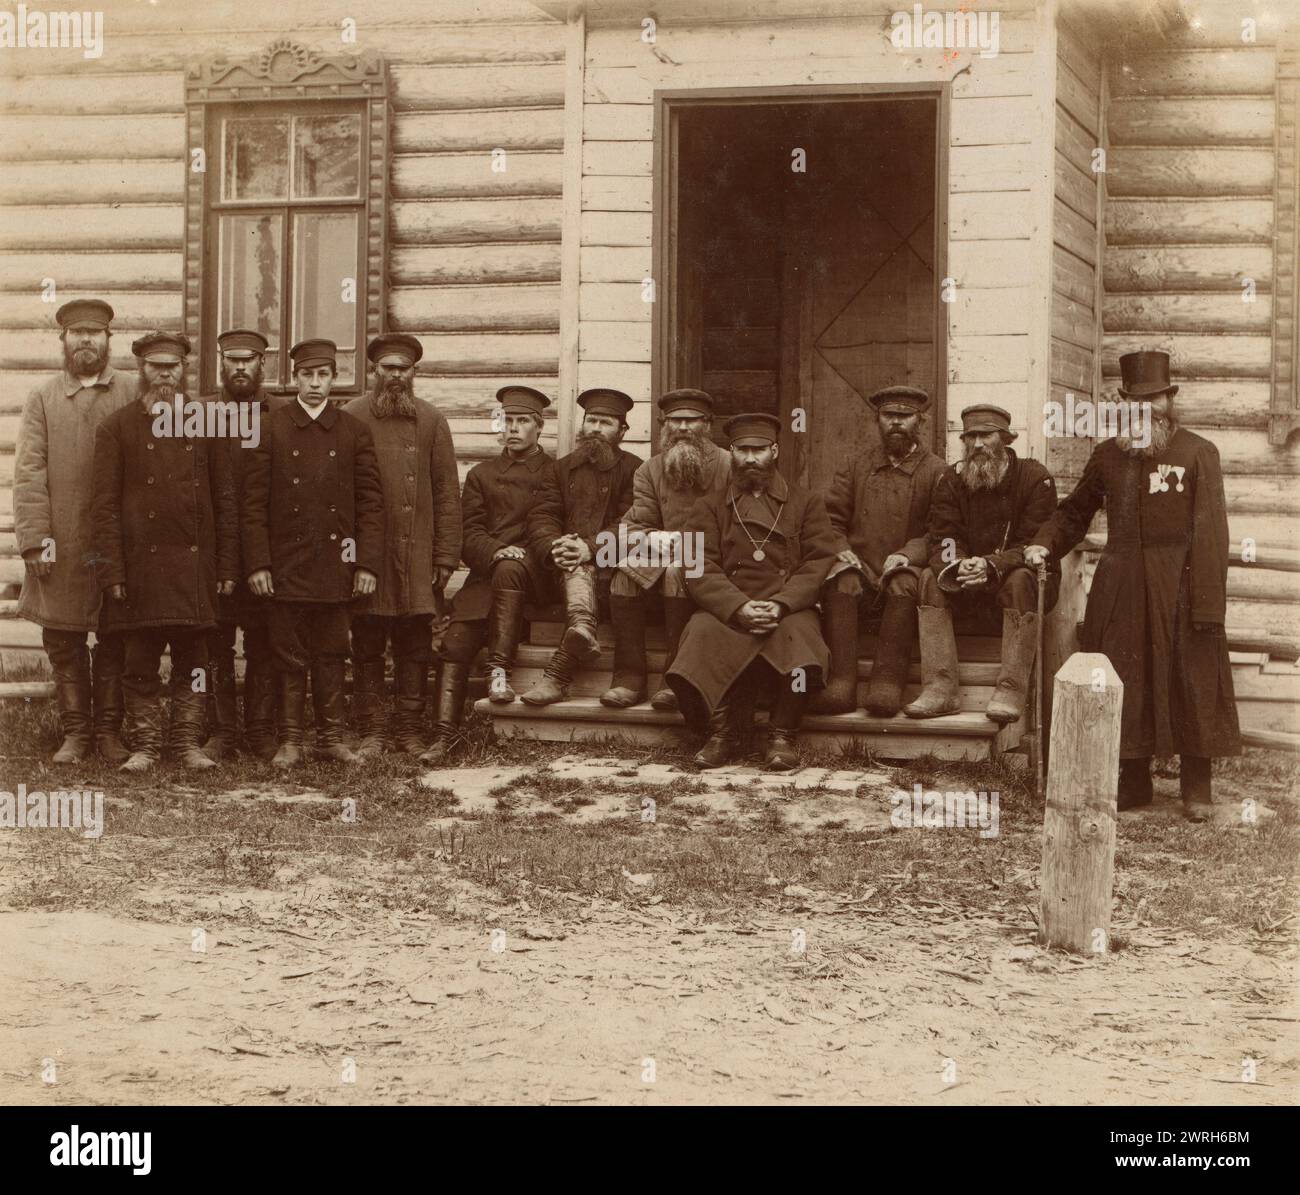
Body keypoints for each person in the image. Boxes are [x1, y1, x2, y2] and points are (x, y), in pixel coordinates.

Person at [1027, 350, 1241, 819]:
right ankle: (1134, 782)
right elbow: (1073, 512)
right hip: (1121, 584)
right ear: (1123, 402)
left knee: (1192, 677)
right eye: (1136, 401)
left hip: (1183, 586)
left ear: (1170, 399)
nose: (1147, 409)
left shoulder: (1198, 452)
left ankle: (1197, 787)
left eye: (1156, 399)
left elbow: (1212, 531)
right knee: (1126, 677)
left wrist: (1208, 605)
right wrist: (1045, 544)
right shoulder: (1107, 456)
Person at [91, 331, 238, 771]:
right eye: (156, 366)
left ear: (183, 370)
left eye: (172, 366)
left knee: (194, 660)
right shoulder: (116, 428)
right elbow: (103, 508)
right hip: (140, 570)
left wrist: (227, 564)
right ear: (142, 370)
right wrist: (112, 572)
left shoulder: (208, 425)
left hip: (194, 567)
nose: (165, 375)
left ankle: (187, 744)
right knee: (140, 661)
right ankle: (146, 747)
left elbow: (225, 499)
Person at [666, 412, 837, 771]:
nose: (749, 458)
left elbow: (818, 562)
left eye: (758, 449)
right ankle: (722, 734)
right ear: (731, 453)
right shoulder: (709, 506)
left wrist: (781, 603)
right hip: (729, 607)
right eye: (742, 450)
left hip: (786, 606)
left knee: (801, 639)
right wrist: (737, 607)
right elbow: (698, 568)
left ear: (774, 451)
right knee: (700, 634)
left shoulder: (805, 503)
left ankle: (783, 734)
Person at [242, 339, 384, 767]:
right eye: (307, 375)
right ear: (294, 378)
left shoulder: (353, 431)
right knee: (286, 653)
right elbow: (252, 504)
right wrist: (259, 563)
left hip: (336, 565)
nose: (315, 384)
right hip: (285, 566)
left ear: (334, 378)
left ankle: (331, 739)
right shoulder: (271, 427)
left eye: (323, 375)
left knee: (331, 652)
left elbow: (370, 503)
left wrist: (366, 562)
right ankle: (290, 740)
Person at [14, 298, 134, 763]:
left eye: (95, 332)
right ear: (62, 340)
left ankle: (108, 733)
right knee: (63, 642)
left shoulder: (130, 391)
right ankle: (76, 734)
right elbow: (29, 473)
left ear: (109, 339)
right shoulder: (43, 398)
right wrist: (35, 540)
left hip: (116, 544)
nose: (86, 340)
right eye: (77, 333)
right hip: (60, 541)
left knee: (115, 637)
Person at [421, 385, 558, 762]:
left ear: (540, 427)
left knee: (513, 568)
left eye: (523, 421)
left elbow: (554, 526)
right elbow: (469, 533)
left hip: (536, 579)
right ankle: (444, 737)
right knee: (457, 643)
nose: (513, 428)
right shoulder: (482, 475)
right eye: (507, 420)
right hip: (489, 575)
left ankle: (499, 673)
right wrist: (496, 550)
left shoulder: (554, 473)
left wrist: (523, 554)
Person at [343, 334, 461, 755]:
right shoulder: (352, 416)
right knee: (368, 643)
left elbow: (448, 491)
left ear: (414, 373)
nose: (395, 375)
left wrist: (445, 554)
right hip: (369, 555)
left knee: (415, 644)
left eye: (403, 369)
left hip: (418, 550)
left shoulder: (432, 420)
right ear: (374, 371)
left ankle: (409, 730)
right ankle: (373, 730)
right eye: (387, 368)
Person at [904, 404, 1058, 724]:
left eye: (985, 435)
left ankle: (1011, 688)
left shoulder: (1034, 478)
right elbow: (942, 536)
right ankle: (940, 687)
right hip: (967, 586)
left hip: (1014, 585)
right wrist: (957, 564)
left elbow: (1033, 541)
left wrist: (990, 565)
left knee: (1021, 578)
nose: (976, 445)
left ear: (1004, 438)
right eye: (970, 436)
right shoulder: (951, 479)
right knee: (931, 579)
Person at [817, 385, 945, 716]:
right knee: (840, 579)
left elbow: (940, 531)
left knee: (905, 583)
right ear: (878, 420)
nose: (897, 423)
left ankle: (887, 683)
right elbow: (830, 520)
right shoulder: (855, 465)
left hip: (903, 570)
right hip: (860, 567)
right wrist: (841, 549)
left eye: (905, 416)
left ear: (921, 421)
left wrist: (908, 554)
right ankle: (841, 682)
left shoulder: (937, 471)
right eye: (889, 416)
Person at [609, 388, 731, 710]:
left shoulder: (728, 466)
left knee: (679, 569)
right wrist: (656, 539)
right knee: (624, 573)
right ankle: (628, 676)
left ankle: (673, 677)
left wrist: (690, 546)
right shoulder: (650, 470)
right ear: (664, 425)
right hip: (666, 554)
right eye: (675, 420)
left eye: (692, 420)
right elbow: (635, 525)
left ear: (708, 424)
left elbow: (739, 528)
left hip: (716, 560)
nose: (683, 428)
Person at [520, 387, 642, 706]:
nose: (596, 429)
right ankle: (581, 629)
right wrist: (555, 545)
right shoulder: (560, 468)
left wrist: (590, 548)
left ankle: (558, 674)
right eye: (591, 421)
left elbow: (633, 522)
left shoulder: (634, 469)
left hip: (614, 564)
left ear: (622, 430)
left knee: (583, 569)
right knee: (575, 566)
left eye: (606, 423)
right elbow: (542, 514)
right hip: (563, 566)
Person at [200, 328, 280, 761]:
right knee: (215, 644)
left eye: (249, 359)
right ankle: (222, 730)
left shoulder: (281, 416)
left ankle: (263, 730)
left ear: (263, 364)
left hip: (268, 556)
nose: (241, 367)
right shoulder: (201, 417)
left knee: (265, 642)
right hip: (217, 555)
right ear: (221, 364)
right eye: (232, 360)